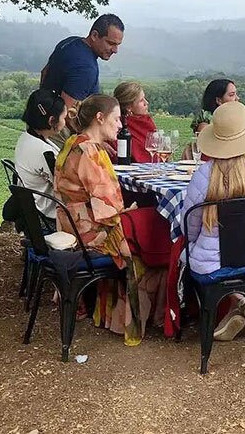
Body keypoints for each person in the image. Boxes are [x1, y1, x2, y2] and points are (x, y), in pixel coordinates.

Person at [54, 94, 162, 345]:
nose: (121, 126)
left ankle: (116, 313)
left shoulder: (72, 142)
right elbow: (111, 209)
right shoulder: (90, 151)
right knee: (159, 229)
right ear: (99, 118)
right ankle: (155, 314)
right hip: (91, 233)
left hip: (71, 226)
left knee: (145, 222)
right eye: (116, 119)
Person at [182, 101, 245, 341]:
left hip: (209, 267)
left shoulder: (202, 176)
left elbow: (190, 229)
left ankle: (234, 306)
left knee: (183, 251)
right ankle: (243, 303)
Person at [40, 14, 125, 110]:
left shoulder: (69, 42)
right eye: (110, 43)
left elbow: (45, 72)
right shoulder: (85, 68)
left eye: (117, 45)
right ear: (94, 35)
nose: (115, 50)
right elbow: (69, 113)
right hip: (56, 123)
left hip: (40, 116)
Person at [13, 89, 68, 231]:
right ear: (51, 120)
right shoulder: (44, 152)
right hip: (47, 220)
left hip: (32, 212)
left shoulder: (26, 138)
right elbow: (65, 187)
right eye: (64, 117)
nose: (65, 122)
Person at [112, 81, 158, 163]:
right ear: (128, 107)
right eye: (141, 100)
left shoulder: (146, 122)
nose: (146, 103)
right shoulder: (117, 127)